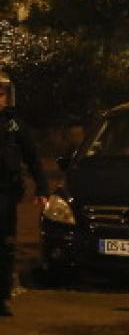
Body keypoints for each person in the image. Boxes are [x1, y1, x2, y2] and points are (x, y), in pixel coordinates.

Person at [0, 71, 47, 316]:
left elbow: (32, 157)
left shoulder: (14, 125)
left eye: (2, 94)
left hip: (6, 193)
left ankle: (2, 296)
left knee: (6, 246)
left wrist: (42, 188)